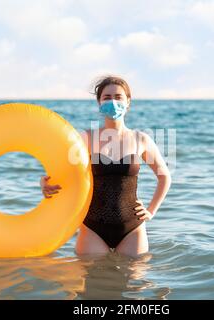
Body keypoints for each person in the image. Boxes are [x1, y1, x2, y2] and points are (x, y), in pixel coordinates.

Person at [40, 75, 171, 257]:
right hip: (92, 227)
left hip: (132, 227)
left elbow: (164, 176)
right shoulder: (84, 139)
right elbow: (62, 172)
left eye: (118, 97)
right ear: (99, 103)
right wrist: (44, 183)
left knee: (136, 283)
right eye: (107, 98)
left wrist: (151, 210)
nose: (113, 102)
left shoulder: (140, 139)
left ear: (128, 102)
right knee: (92, 283)